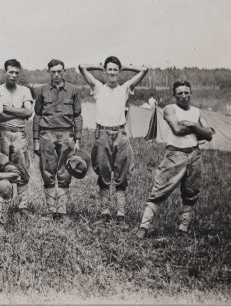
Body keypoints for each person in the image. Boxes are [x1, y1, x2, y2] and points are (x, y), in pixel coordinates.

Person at [137, 81, 214, 238]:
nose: (184, 96)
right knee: (160, 190)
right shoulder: (170, 109)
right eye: (180, 93)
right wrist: (198, 130)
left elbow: (209, 134)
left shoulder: (196, 111)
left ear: (191, 93)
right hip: (175, 154)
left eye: (187, 92)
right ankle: (143, 227)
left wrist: (192, 125)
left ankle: (183, 228)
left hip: (194, 154)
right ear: (174, 95)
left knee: (191, 192)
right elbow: (177, 130)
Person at [78, 57, 148, 224]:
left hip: (120, 134)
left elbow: (144, 70)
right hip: (102, 134)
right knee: (103, 173)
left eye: (115, 70)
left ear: (119, 71)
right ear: (105, 71)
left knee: (121, 175)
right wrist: (101, 65)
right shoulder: (98, 88)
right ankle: (105, 213)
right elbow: (82, 66)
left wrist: (125, 67)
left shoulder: (125, 88)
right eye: (109, 69)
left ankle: (120, 215)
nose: (112, 73)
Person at [33, 59, 83, 219]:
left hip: (67, 134)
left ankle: (61, 211)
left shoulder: (74, 91)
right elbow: (37, 115)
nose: (56, 74)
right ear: (49, 72)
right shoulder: (41, 91)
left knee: (65, 172)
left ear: (64, 71)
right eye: (53, 71)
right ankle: (50, 210)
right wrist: (35, 139)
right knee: (47, 172)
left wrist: (78, 139)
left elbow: (77, 116)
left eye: (59, 71)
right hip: (46, 134)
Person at [0, 59, 33, 212]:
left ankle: (23, 205)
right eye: (11, 72)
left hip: (19, 135)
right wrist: (18, 112)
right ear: (5, 72)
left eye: (17, 72)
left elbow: (29, 112)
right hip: (2, 133)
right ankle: (3, 205)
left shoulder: (24, 91)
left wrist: (7, 109)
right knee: (3, 167)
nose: (14, 75)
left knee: (22, 169)